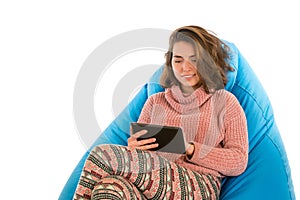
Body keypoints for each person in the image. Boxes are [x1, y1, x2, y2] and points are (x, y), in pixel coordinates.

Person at [73, 25, 248, 200]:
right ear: (170, 63)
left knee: (103, 156)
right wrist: (134, 148)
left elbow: (239, 160)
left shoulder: (225, 102)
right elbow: (139, 163)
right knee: (109, 188)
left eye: (193, 60)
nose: (185, 68)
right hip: (153, 185)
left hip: (198, 188)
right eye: (178, 60)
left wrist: (190, 148)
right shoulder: (155, 102)